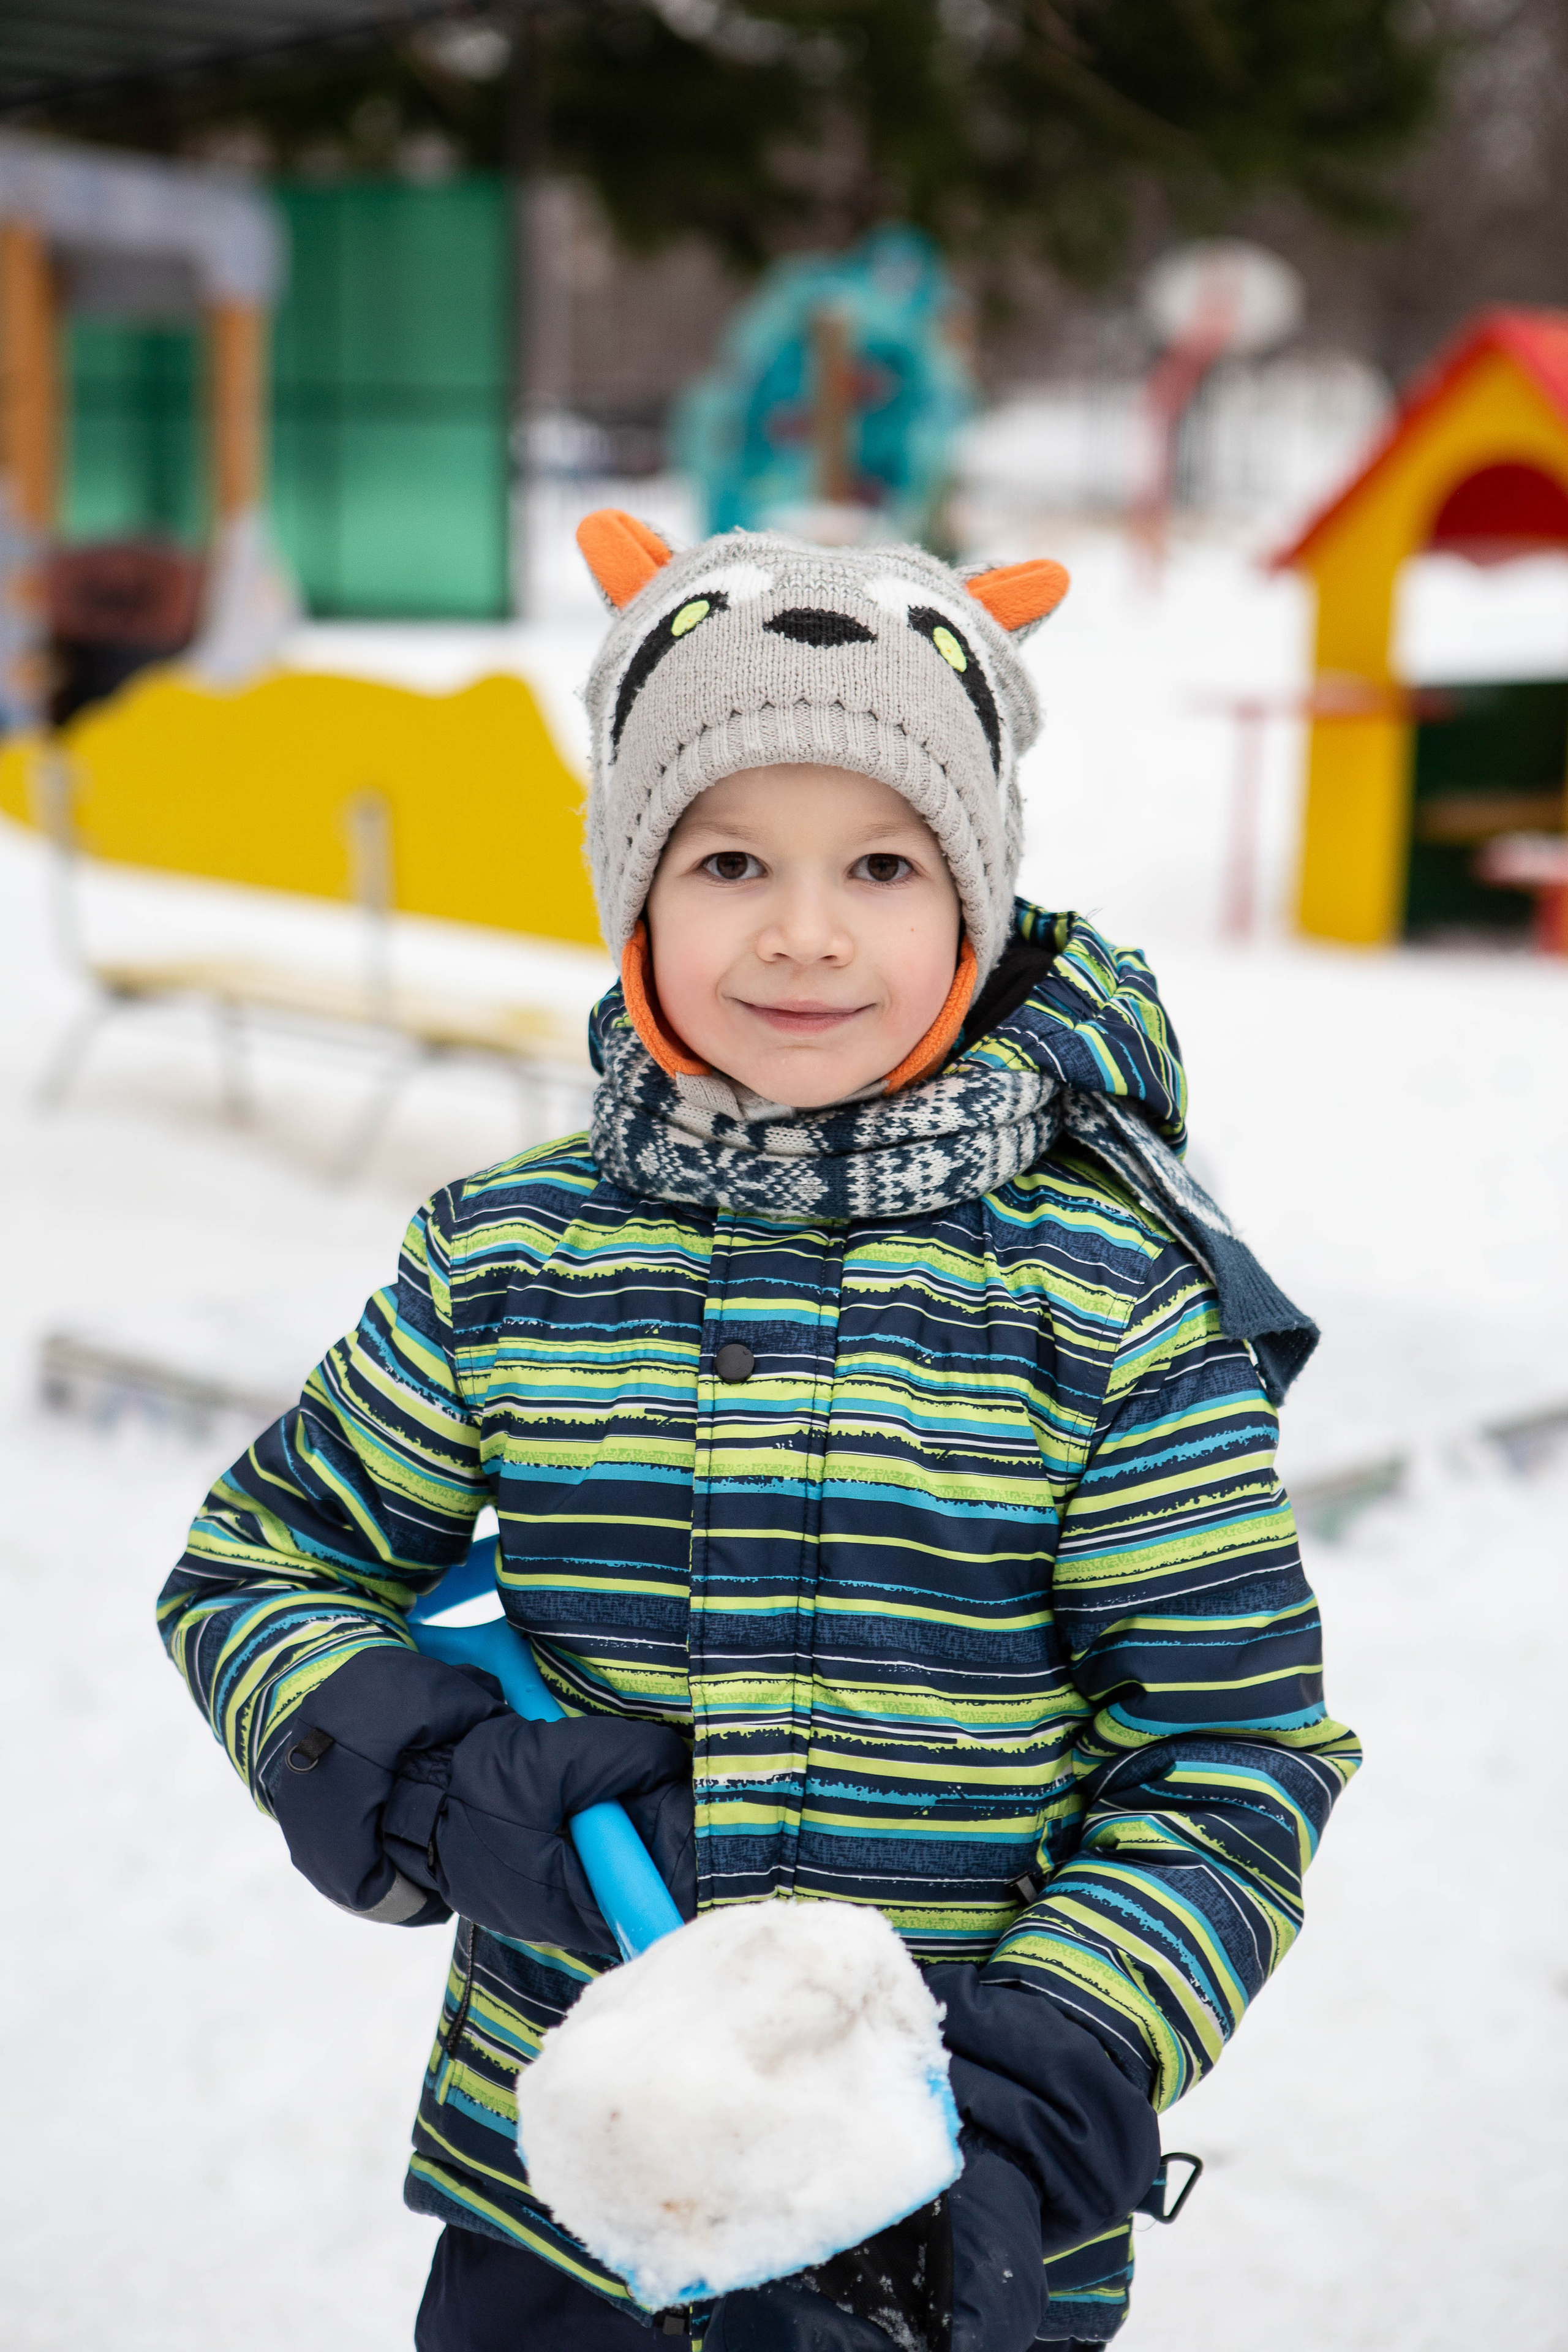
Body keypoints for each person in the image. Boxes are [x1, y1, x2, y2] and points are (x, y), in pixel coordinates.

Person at [157, 511, 1360, 2352]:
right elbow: (263, 1562)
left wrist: (1042, 2075)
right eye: (731, 860)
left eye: (882, 863)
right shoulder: (508, 1261)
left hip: (948, 2229)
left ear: (974, 896)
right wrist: (433, 1782)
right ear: (637, 888)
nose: (805, 934)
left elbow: (1227, 1754)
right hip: (560, 2218)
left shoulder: (1107, 1302)